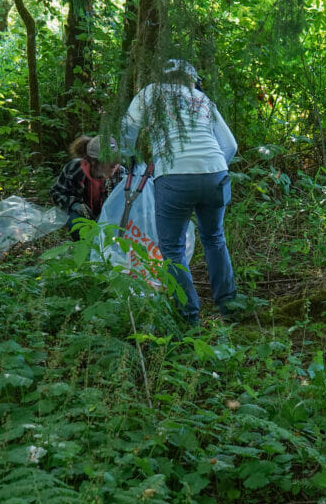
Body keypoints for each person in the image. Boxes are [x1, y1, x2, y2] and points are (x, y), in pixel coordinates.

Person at [120, 59, 238, 324]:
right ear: (192, 80)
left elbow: (127, 129)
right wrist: (211, 169)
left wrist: (128, 155)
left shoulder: (151, 92)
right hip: (215, 173)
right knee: (215, 238)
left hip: (173, 175)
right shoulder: (202, 98)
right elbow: (230, 145)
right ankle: (229, 305)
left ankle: (189, 316)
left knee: (172, 248)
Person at [50, 135, 124, 240]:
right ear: (94, 161)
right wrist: (75, 205)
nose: (114, 164)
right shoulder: (75, 169)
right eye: (109, 159)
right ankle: (83, 248)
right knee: (77, 224)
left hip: (108, 218)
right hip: (81, 216)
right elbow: (56, 193)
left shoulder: (120, 173)